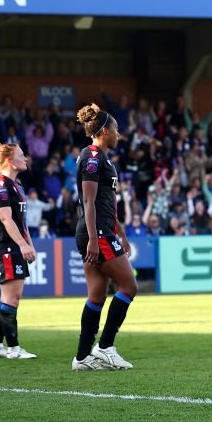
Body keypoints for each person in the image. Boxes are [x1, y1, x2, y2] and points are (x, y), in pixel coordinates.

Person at [71, 103, 139, 371]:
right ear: (104, 131)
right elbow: (88, 202)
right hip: (95, 233)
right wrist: (93, 239)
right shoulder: (91, 157)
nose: (119, 134)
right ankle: (105, 346)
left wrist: (119, 232)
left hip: (102, 231)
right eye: (116, 130)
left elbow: (106, 203)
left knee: (97, 294)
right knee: (129, 287)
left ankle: (81, 357)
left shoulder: (102, 158)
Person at [0, 142, 38, 359]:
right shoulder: (0, 185)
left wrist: (29, 243)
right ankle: (13, 349)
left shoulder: (16, 185)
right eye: (21, 155)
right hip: (5, 247)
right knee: (12, 298)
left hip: (15, 245)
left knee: (7, 297)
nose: (25, 158)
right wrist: (22, 244)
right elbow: (6, 219)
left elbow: (21, 222)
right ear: (9, 160)